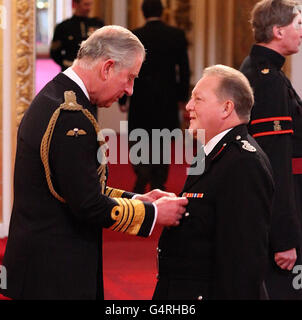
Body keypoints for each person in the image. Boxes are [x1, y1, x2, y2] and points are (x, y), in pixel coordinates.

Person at [0, 25, 188, 300]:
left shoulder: (60, 98)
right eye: (129, 78)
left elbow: (78, 186)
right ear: (107, 67)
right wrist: (155, 215)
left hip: (44, 264)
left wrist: (140, 201)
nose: (130, 90)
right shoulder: (72, 117)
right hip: (55, 274)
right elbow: (87, 203)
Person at [152, 65, 275, 300]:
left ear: (226, 108)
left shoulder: (243, 163)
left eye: (198, 99)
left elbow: (243, 263)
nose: (188, 106)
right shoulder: (216, 153)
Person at [240, 0, 302, 299]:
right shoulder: (269, 81)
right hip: (278, 215)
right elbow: (274, 162)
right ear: (278, 31)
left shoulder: (262, 70)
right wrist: (284, 237)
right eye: (298, 25)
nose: (301, 32)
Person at [119, 0, 190, 193]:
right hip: (167, 97)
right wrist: (183, 98)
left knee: (139, 138)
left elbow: (125, 70)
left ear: (143, 13)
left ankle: (143, 175)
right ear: (162, 12)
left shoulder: (135, 37)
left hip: (140, 97)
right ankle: (158, 181)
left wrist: (123, 98)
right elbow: (183, 69)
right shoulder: (176, 35)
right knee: (163, 140)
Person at [50, 0, 104, 71]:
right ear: (75, 4)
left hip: (93, 70)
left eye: (90, 4)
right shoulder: (63, 26)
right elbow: (54, 52)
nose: (89, 8)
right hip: (70, 69)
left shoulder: (98, 24)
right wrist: (66, 64)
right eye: (86, 5)